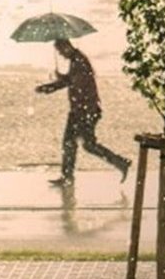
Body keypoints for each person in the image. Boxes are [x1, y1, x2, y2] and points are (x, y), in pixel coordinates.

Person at [35, 38, 131, 186]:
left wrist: (55, 84)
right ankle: (69, 176)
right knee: (78, 144)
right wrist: (55, 84)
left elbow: (75, 83)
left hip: (85, 110)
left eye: (61, 51)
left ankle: (119, 163)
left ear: (67, 46)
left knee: (78, 144)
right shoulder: (77, 60)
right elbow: (72, 81)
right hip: (83, 110)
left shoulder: (79, 61)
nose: (61, 55)